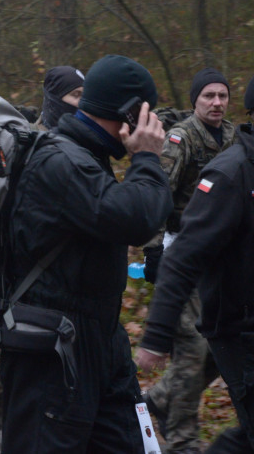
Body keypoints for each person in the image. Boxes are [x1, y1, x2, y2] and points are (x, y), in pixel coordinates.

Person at [0, 54, 171, 453]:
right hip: (52, 353)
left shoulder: (86, 158)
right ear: (130, 112)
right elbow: (137, 217)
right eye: (149, 113)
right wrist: (146, 156)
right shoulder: (61, 160)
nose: (154, 124)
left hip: (99, 345)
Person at [0, 64, 86, 454]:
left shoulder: (66, 142)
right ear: (56, 99)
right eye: (77, 97)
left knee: (25, 347)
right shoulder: (37, 145)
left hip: (52, 272)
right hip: (30, 272)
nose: (83, 105)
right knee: (22, 347)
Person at [136, 76, 254, 452]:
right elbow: (159, 193)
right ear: (196, 100)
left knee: (212, 353)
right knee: (193, 347)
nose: (217, 102)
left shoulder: (235, 135)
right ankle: (181, 435)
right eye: (209, 95)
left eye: (223, 95)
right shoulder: (182, 138)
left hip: (222, 256)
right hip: (182, 252)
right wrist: (154, 251)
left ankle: (158, 399)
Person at [39, 65, 85, 130]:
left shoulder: (89, 135)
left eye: (84, 96)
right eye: (76, 95)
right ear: (54, 98)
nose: (82, 102)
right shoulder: (33, 138)